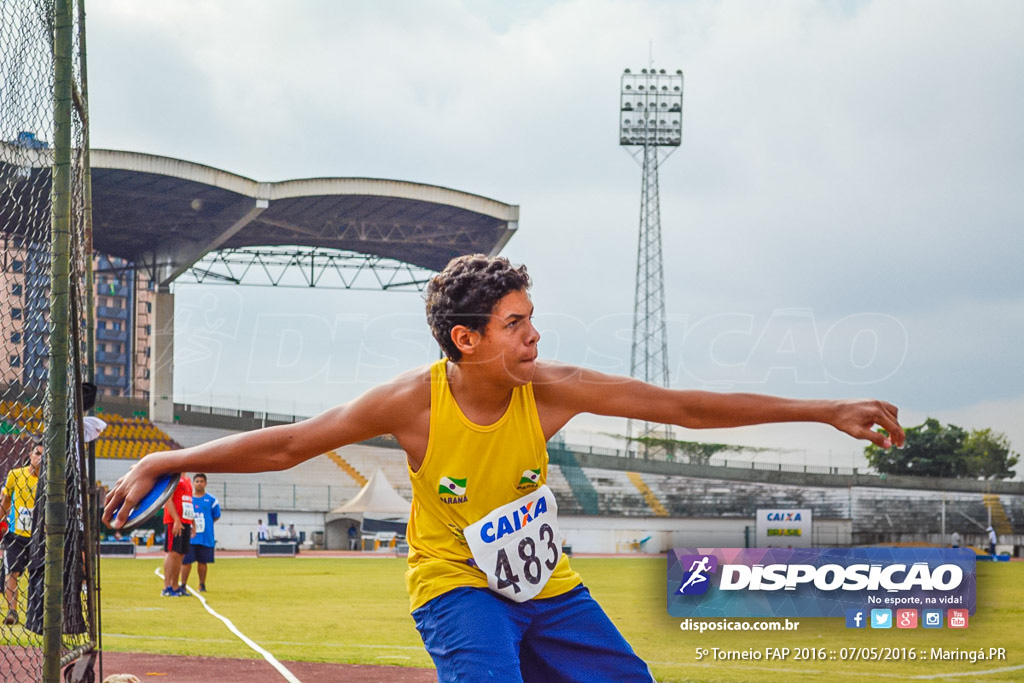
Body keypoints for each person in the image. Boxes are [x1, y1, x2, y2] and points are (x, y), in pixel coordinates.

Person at [103, 254, 905, 681]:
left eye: (532, 319)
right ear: (467, 339)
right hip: (458, 584)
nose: (535, 337)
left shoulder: (549, 390)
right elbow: (288, 444)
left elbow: (685, 408)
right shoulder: (408, 404)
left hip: (546, 587)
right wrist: (171, 455)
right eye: (517, 323)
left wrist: (824, 409)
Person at [1, 442, 42, 625]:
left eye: (43, 455)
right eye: (37, 453)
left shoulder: (49, 482)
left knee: (40, 574)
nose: (39, 458)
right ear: (30, 455)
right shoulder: (16, 475)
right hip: (16, 535)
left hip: (39, 537)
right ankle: (12, 611)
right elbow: (6, 501)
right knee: (12, 573)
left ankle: (39, 613)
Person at [180, 473, 220, 593]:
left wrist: (206, 524)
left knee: (203, 562)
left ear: (205, 483)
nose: (199, 483)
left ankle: (202, 584)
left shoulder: (212, 500)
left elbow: (216, 516)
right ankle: (183, 585)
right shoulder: (188, 499)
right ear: (193, 483)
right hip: (190, 537)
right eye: (197, 481)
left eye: (201, 481)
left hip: (205, 537)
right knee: (186, 561)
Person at [161, 474, 194, 597]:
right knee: (173, 553)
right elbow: (168, 500)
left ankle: (175, 586)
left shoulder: (187, 479)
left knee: (180, 554)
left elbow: (189, 503)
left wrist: (192, 523)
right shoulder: (173, 477)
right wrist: (176, 520)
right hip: (174, 521)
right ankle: (167, 587)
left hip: (185, 520)